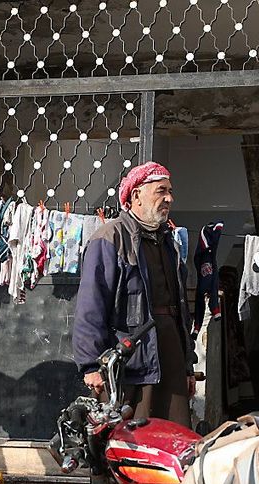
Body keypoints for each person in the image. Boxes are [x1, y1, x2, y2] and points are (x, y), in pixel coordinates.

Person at [72, 162, 196, 426]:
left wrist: (187, 366)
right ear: (136, 195)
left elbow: (181, 310)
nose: (169, 198)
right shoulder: (109, 239)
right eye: (161, 191)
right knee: (129, 441)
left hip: (170, 356)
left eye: (170, 192)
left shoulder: (168, 242)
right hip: (129, 359)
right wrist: (91, 365)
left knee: (173, 438)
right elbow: (91, 306)